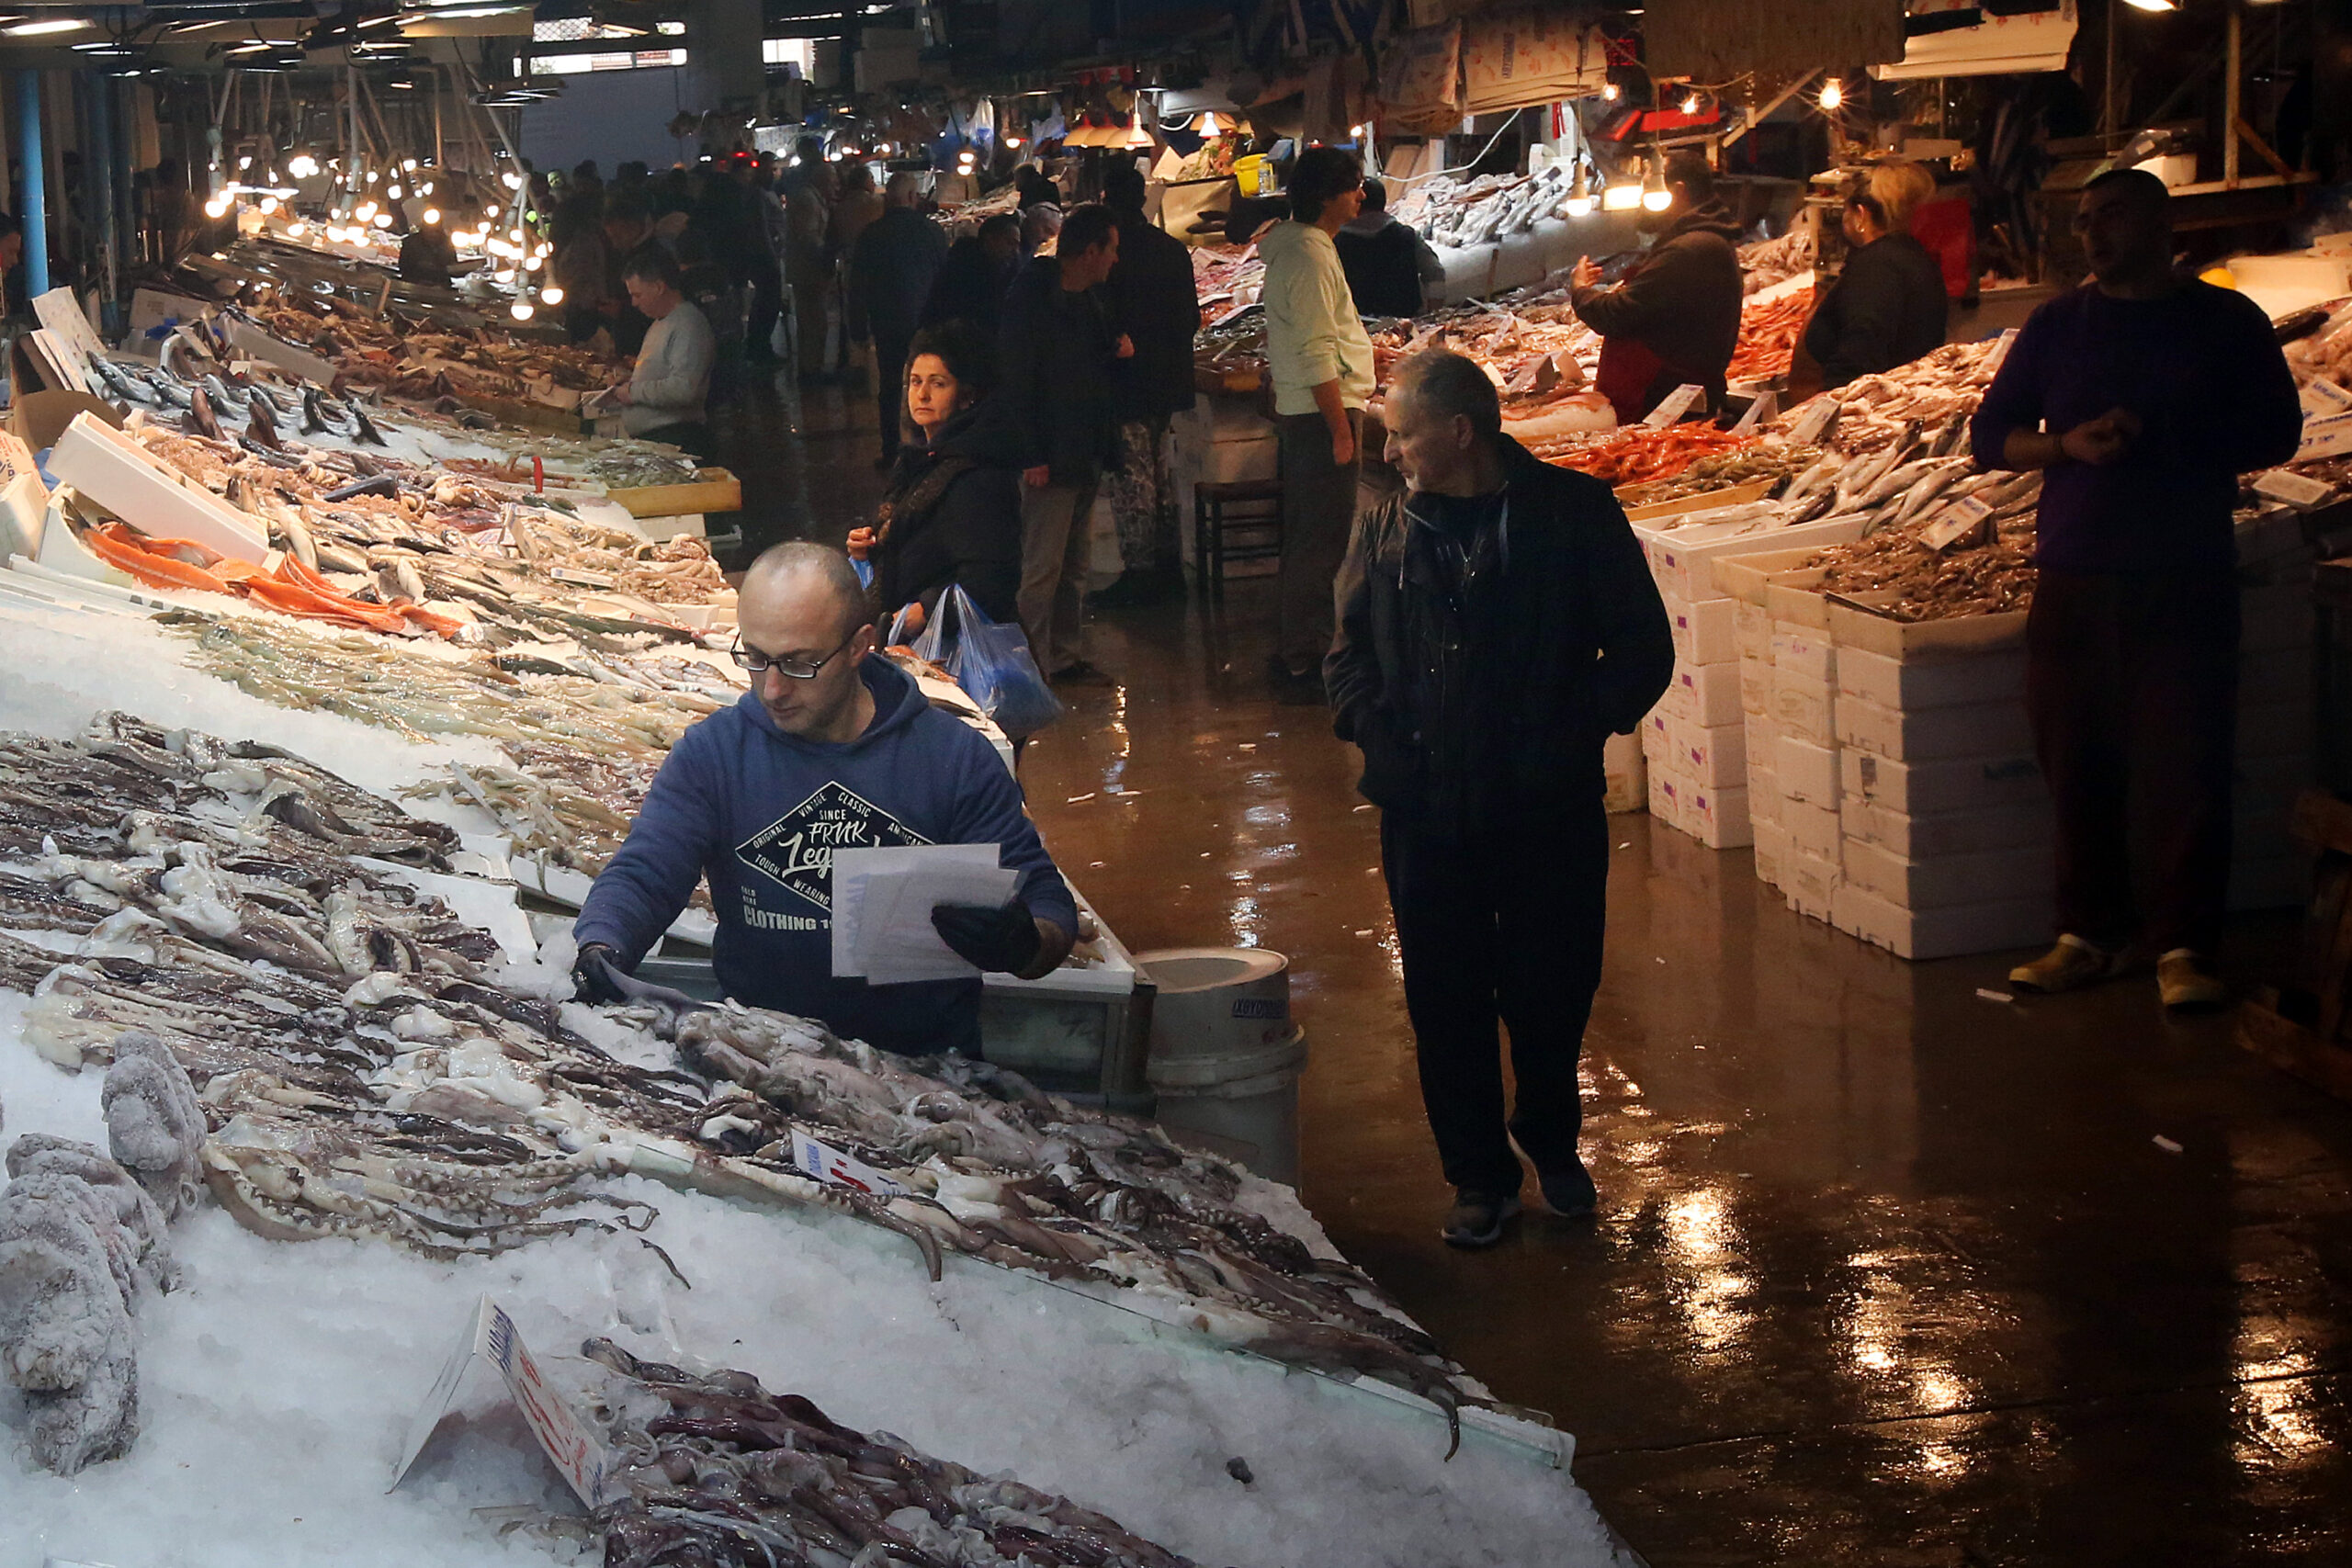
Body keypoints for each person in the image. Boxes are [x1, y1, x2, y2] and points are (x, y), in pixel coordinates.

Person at [1326, 349, 1674, 1247]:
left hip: (1545, 810)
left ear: (1459, 433)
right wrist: (1378, 740)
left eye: (1402, 436)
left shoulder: (1571, 515)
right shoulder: (1383, 524)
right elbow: (1346, 653)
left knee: (1551, 986)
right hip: (1426, 811)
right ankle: (1477, 1173)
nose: (1392, 452)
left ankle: (1551, 1140)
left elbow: (1642, 649)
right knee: (1444, 997)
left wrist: (1568, 734)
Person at [1971, 168, 2300, 1010]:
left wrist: (2169, 436)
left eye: (2110, 215)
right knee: (2075, 761)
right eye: (2082, 219)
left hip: (2184, 571)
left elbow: (2279, 432)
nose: (2091, 233)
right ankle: (2088, 934)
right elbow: (1989, 435)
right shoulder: (2056, 324)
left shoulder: (2224, 320)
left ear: (2161, 226)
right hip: (2074, 575)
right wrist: (2065, 448)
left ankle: (2185, 946)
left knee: (2185, 765)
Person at [571, 543, 1078, 1056]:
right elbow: (647, 872)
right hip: (761, 1063)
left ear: (860, 646)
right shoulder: (715, 754)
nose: (771, 690)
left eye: (798, 663)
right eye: (755, 658)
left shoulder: (952, 759)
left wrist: (1023, 942)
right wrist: (601, 946)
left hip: (928, 1072)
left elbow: (1051, 911)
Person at [999, 202, 1131, 685]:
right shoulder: (1032, 298)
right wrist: (1030, 454)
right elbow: (1017, 379)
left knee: (1075, 564)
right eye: (1111, 250)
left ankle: (1064, 656)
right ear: (1090, 252)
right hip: (1049, 455)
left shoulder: (1091, 300)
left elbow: (1087, 364)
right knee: (1041, 568)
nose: (1116, 260)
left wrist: (1115, 347)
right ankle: (1029, 666)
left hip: (1085, 447)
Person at [1261, 145, 1374, 705]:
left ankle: (1300, 650)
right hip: (1318, 414)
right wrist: (1340, 428)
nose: (1361, 194)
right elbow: (1314, 349)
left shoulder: (1307, 248)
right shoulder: (1306, 255)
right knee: (1320, 541)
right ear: (1326, 196)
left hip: (1312, 412)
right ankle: (1303, 659)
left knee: (1312, 536)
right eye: (1353, 185)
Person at [846, 321, 1023, 641]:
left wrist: (925, 610)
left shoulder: (977, 474)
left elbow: (991, 579)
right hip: (910, 637)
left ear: (966, 395)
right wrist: (869, 546)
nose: (922, 395)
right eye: (915, 382)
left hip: (951, 646)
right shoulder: (918, 462)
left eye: (938, 384)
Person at [1569, 152, 1743, 423]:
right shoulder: (1698, 243)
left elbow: (1616, 315)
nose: (1640, 201)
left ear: (1678, 191)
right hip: (1664, 399)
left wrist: (1580, 290)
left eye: (1646, 188)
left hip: (1667, 407)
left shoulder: (1690, 250)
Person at [1094, 163, 1199, 608]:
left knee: (1132, 479)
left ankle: (1141, 575)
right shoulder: (1172, 249)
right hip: (1168, 381)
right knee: (1160, 474)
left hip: (1127, 384)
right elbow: (1191, 319)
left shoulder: (1111, 256)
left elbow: (1103, 322)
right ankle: (1169, 567)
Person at [1803, 161, 1949, 389]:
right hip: (1906, 394)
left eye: (1846, 211)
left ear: (1861, 214)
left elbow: (1860, 352)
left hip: (1868, 408)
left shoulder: (1876, 267)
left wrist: (1828, 409)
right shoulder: (1915, 257)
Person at [847, 172, 950, 467]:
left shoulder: (871, 235)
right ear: (911, 198)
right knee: (930, 384)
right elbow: (946, 278)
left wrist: (857, 327)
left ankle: (891, 447)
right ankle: (929, 445)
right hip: (927, 322)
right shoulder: (931, 232)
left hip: (887, 322)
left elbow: (858, 286)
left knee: (891, 385)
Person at [608, 244, 716, 447]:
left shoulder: (688, 324)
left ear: (658, 287)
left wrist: (633, 392)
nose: (633, 303)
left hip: (676, 438)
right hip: (655, 438)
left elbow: (684, 389)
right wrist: (631, 379)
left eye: (637, 295)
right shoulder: (660, 322)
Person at [1333, 178, 1444, 319]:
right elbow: (1435, 272)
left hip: (1357, 327)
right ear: (1384, 202)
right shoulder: (1407, 236)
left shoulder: (1337, 242)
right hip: (1406, 324)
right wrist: (1434, 315)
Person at [781, 141, 836, 380]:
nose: (836, 185)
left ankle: (810, 367)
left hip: (804, 268)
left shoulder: (810, 195)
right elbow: (808, 237)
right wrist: (827, 256)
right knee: (814, 321)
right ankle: (811, 370)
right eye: (833, 181)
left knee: (811, 320)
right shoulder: (809, 200)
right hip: (808, 269)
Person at [922, 213, 1022, 330]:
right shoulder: (961, 271)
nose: (1015, 251)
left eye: (1017, 245)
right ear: (990, 239)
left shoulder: (1004, 269)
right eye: (1010, 243)